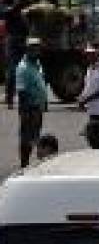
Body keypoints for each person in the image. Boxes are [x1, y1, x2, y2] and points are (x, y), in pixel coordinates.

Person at [15, 39, 47, 168]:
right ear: (27, 50)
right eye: (33, 48)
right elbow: (22, 92)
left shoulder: (37, 63)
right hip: (29, 108)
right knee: (26, 138)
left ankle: (29, 164)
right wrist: (25, 113)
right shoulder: (23, 68)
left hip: (37, 108)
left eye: (38, 48)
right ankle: (24, 165)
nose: (36, 51)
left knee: (35, 136)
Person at [4, 0, 31, 108]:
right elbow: (4, 13)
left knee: (27, 69)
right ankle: (9, 98)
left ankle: (24, 98)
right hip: (13, 37)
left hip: (26, 37)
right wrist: (17, 4)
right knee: (13, 69)